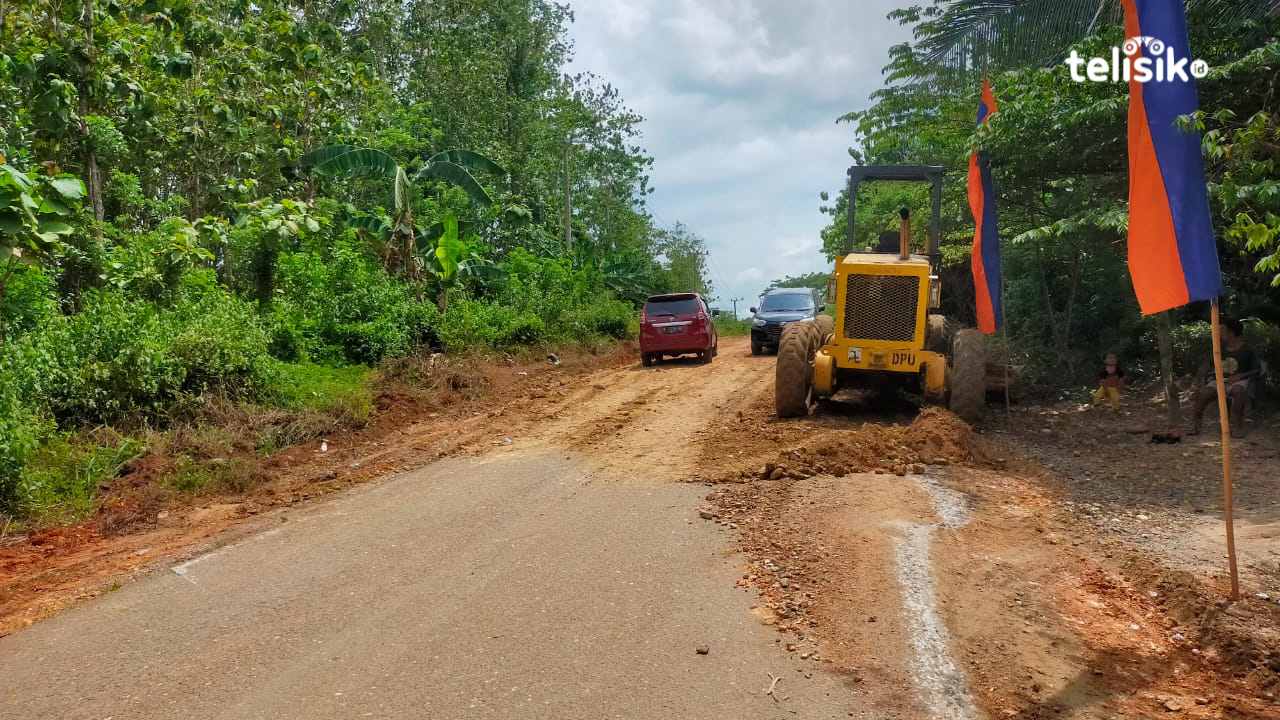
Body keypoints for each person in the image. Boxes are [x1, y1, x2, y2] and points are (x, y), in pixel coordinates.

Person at [1190, 317, 1258, 437]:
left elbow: (1257, 369)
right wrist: (1197, 381)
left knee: (1238, 392)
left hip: (1240, 381)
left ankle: (1237, 427)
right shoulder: (1219, 348)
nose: (1219, 334)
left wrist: (1241, 375)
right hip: (1219, 380)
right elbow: (1206, 365)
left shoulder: (1248, 350)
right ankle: (1196, 426)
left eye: (1222, 331)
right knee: (1203, 394)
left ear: (1231, 333)